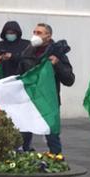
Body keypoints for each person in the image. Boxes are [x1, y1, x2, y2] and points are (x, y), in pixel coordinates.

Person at [17, 22, 74, 154]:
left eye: (39, 33)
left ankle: (56, 158)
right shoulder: (27, 52)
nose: (35, 35)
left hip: (49, 101)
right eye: (34, 32)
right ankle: (24, 156)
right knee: (24, 132)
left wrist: (57, 64)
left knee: (51, 134)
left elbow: (69, 79)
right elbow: (19, 75)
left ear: (48, 36)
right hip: (29, 100)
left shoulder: (57, 53)